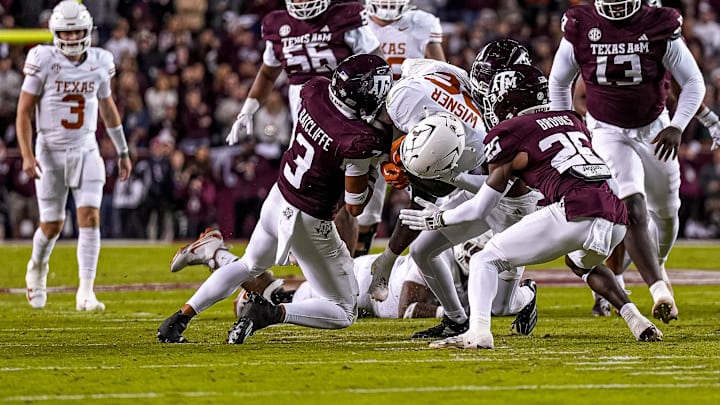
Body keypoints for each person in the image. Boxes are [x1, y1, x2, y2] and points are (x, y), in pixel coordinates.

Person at [400, 65, 664, 349]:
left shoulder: (510, 133)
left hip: (577, 209)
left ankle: (477, 332)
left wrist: (436, 219)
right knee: (580, 263)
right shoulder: (571, 119)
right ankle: (637, 319)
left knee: (484, 260)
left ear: (507, 100)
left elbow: (480, 209)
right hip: (616, 215)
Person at [157, 54, 393, 344]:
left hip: (278, 197)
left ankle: (179, 319)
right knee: (344, 310)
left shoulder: (315, 90)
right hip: (309, 218)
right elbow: (355, 205)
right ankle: (270, 313)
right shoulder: (358, 140)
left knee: (247, 265)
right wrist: (373, 173)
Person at [367, 39, 540, 340]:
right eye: (484, 75)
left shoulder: (509, 122)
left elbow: (496, 190)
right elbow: (405, 88)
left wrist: (450, 175)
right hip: (477, 185)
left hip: (514, 203)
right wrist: (398, 150)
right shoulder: (432, 82)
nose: (485, 86)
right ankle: (455, 318)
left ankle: (526, 295)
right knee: (423, 250)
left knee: (502, 307)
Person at [547, 1, 706, 324]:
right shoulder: (581, 22)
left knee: (666, 211)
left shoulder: (660, 20)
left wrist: (677, 125)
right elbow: (558, 81)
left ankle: (656, 266)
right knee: (631, 203)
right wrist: (568, 127)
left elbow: (693, 81)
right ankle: (658, 287)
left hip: (655, 129)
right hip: (606, 130)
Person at [225, 0, 383, 257]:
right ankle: (301, 252)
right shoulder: (279, 25)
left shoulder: (346, 19)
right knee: (299, 189)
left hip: (345, 119)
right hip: (306, 124)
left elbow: (377, 66)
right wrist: (248, 109)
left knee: (346, 199)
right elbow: (267, 73)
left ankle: (345, 260)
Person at [16, 1, 132, 311]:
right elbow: (24, 111)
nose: (71, 39)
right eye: (66, 33)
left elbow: (108, 109)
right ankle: (37, 268)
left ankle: (86, 291)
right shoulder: (42, 59)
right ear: (55, 33)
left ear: (88, 31)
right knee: (52, 224)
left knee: (89, 217)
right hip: (50, 150)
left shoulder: (100, 60)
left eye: (77, 32)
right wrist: (27, 155)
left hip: (86, 148)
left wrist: (122, 149)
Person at [351, 0, 446, 256]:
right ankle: (355, 260)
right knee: (363, 197)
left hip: (410, 117)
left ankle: (435, 257)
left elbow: (442, 73)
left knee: (430, 185)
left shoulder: (422, 22)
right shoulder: (354, 20)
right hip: (368, 117)